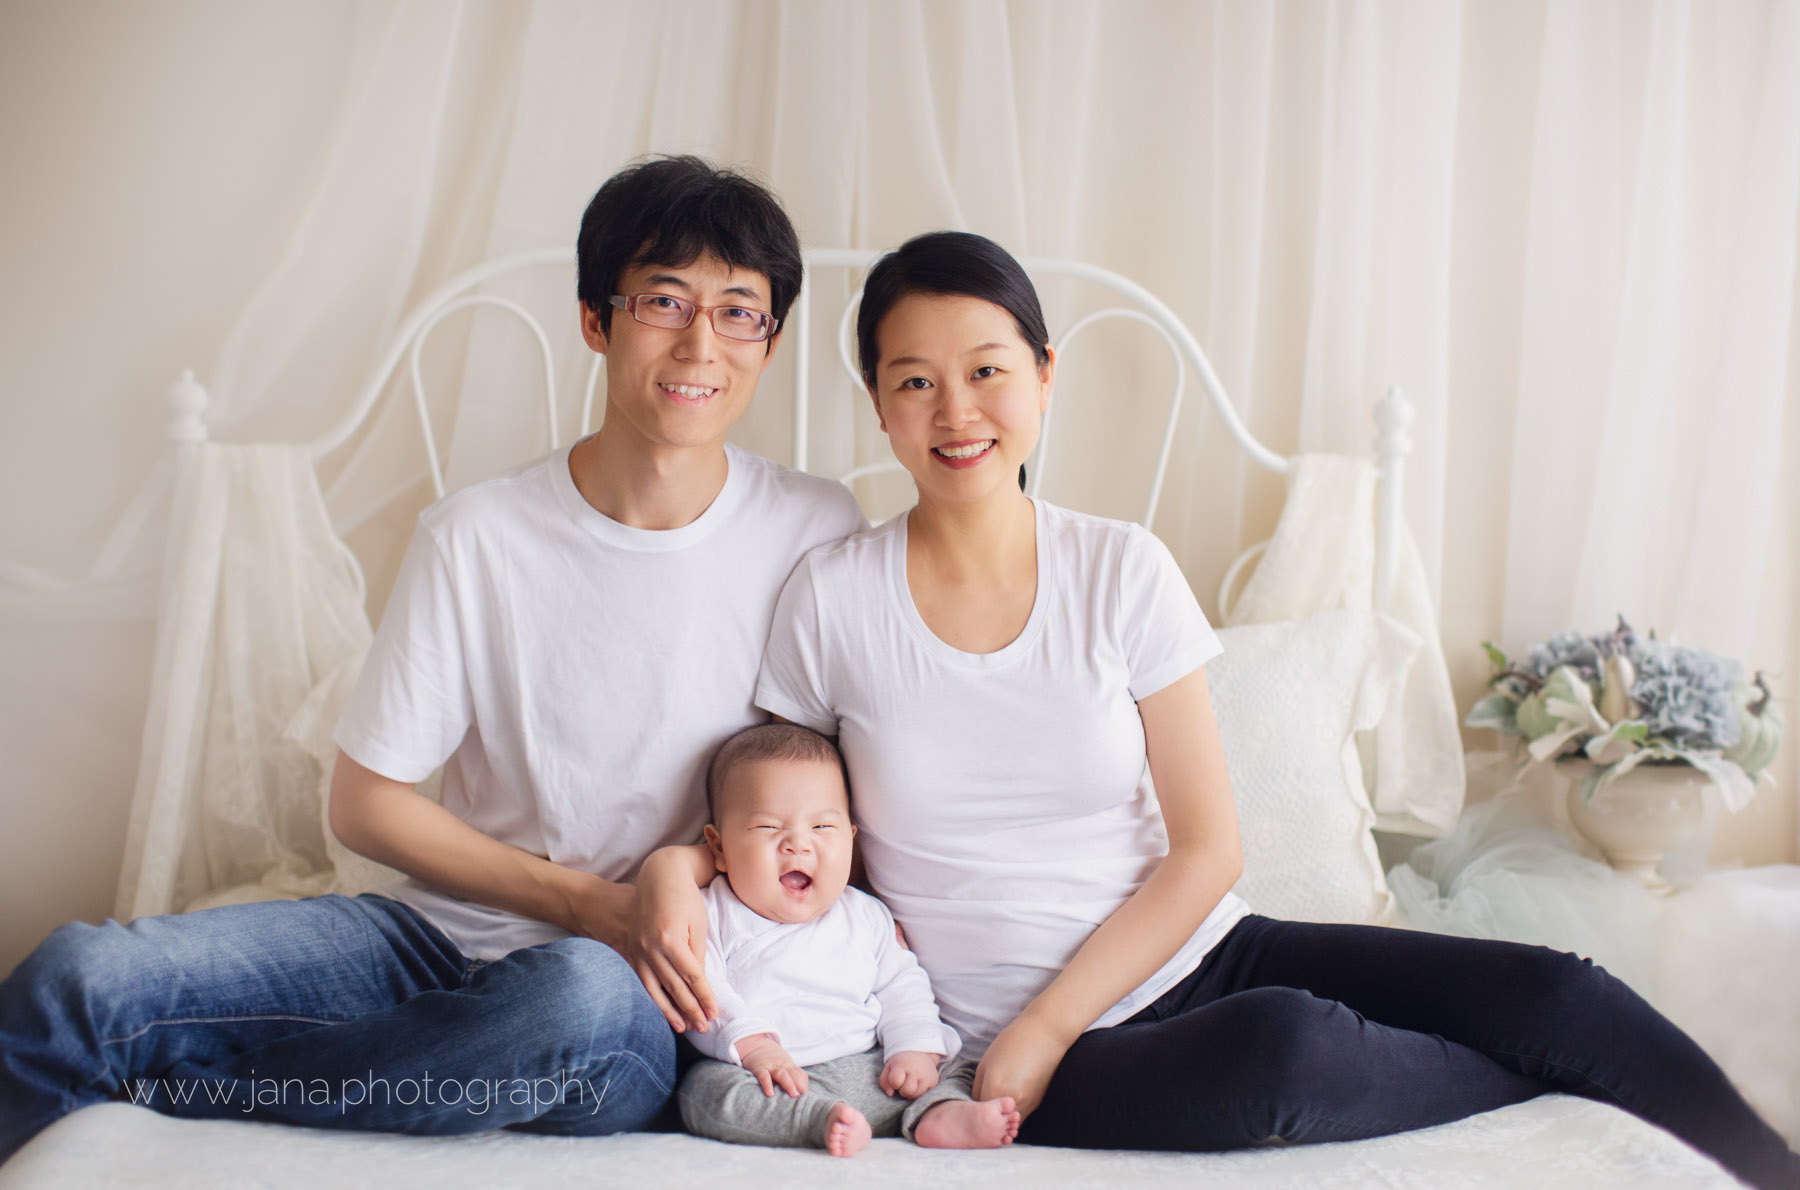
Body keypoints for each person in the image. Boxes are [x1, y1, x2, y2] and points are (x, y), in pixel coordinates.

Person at [643, 230, 1799, 1188]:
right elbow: (775, 803)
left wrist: (1056, 1023)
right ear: (881, 409)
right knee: (1282, 1058)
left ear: (1045, 375)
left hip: (1199, 953)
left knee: (1560, 988)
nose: (957, 408)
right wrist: (669, 875)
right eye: (915, 379)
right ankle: (1544, 1073)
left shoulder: (1120, 568)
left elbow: (1209, 849)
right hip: (997, 1038)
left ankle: (1769, 1162)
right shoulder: (832, 599)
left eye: (989, 367)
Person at [0, 155, 864, 1162]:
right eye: (663, 301)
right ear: (596, 320)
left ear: (770, 341)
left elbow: (839, 795)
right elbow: (366, 804)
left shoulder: (815, 527)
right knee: (77, 976)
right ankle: (188, 1074)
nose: (699, 341)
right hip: (439, 940)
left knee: (575, 993)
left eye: (739, 312)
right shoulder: (479, 534)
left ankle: (194, 1088)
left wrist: (661, 901)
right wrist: (587, 899)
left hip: (646, 998)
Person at [676, 722, 1020, 1156]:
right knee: (704, 1091)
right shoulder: (712, 911)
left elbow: (902, 986)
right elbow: (702, 989)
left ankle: (940, 1111)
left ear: (851, 841)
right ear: (719, 846)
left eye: (822, 827)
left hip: (873, 1070)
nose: (798, 845)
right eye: (767, 827)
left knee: (960, 1063)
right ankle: (817, 1122)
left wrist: (912, 1047)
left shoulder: (866, 915)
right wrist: (753, 1046)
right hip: (773, 1078)